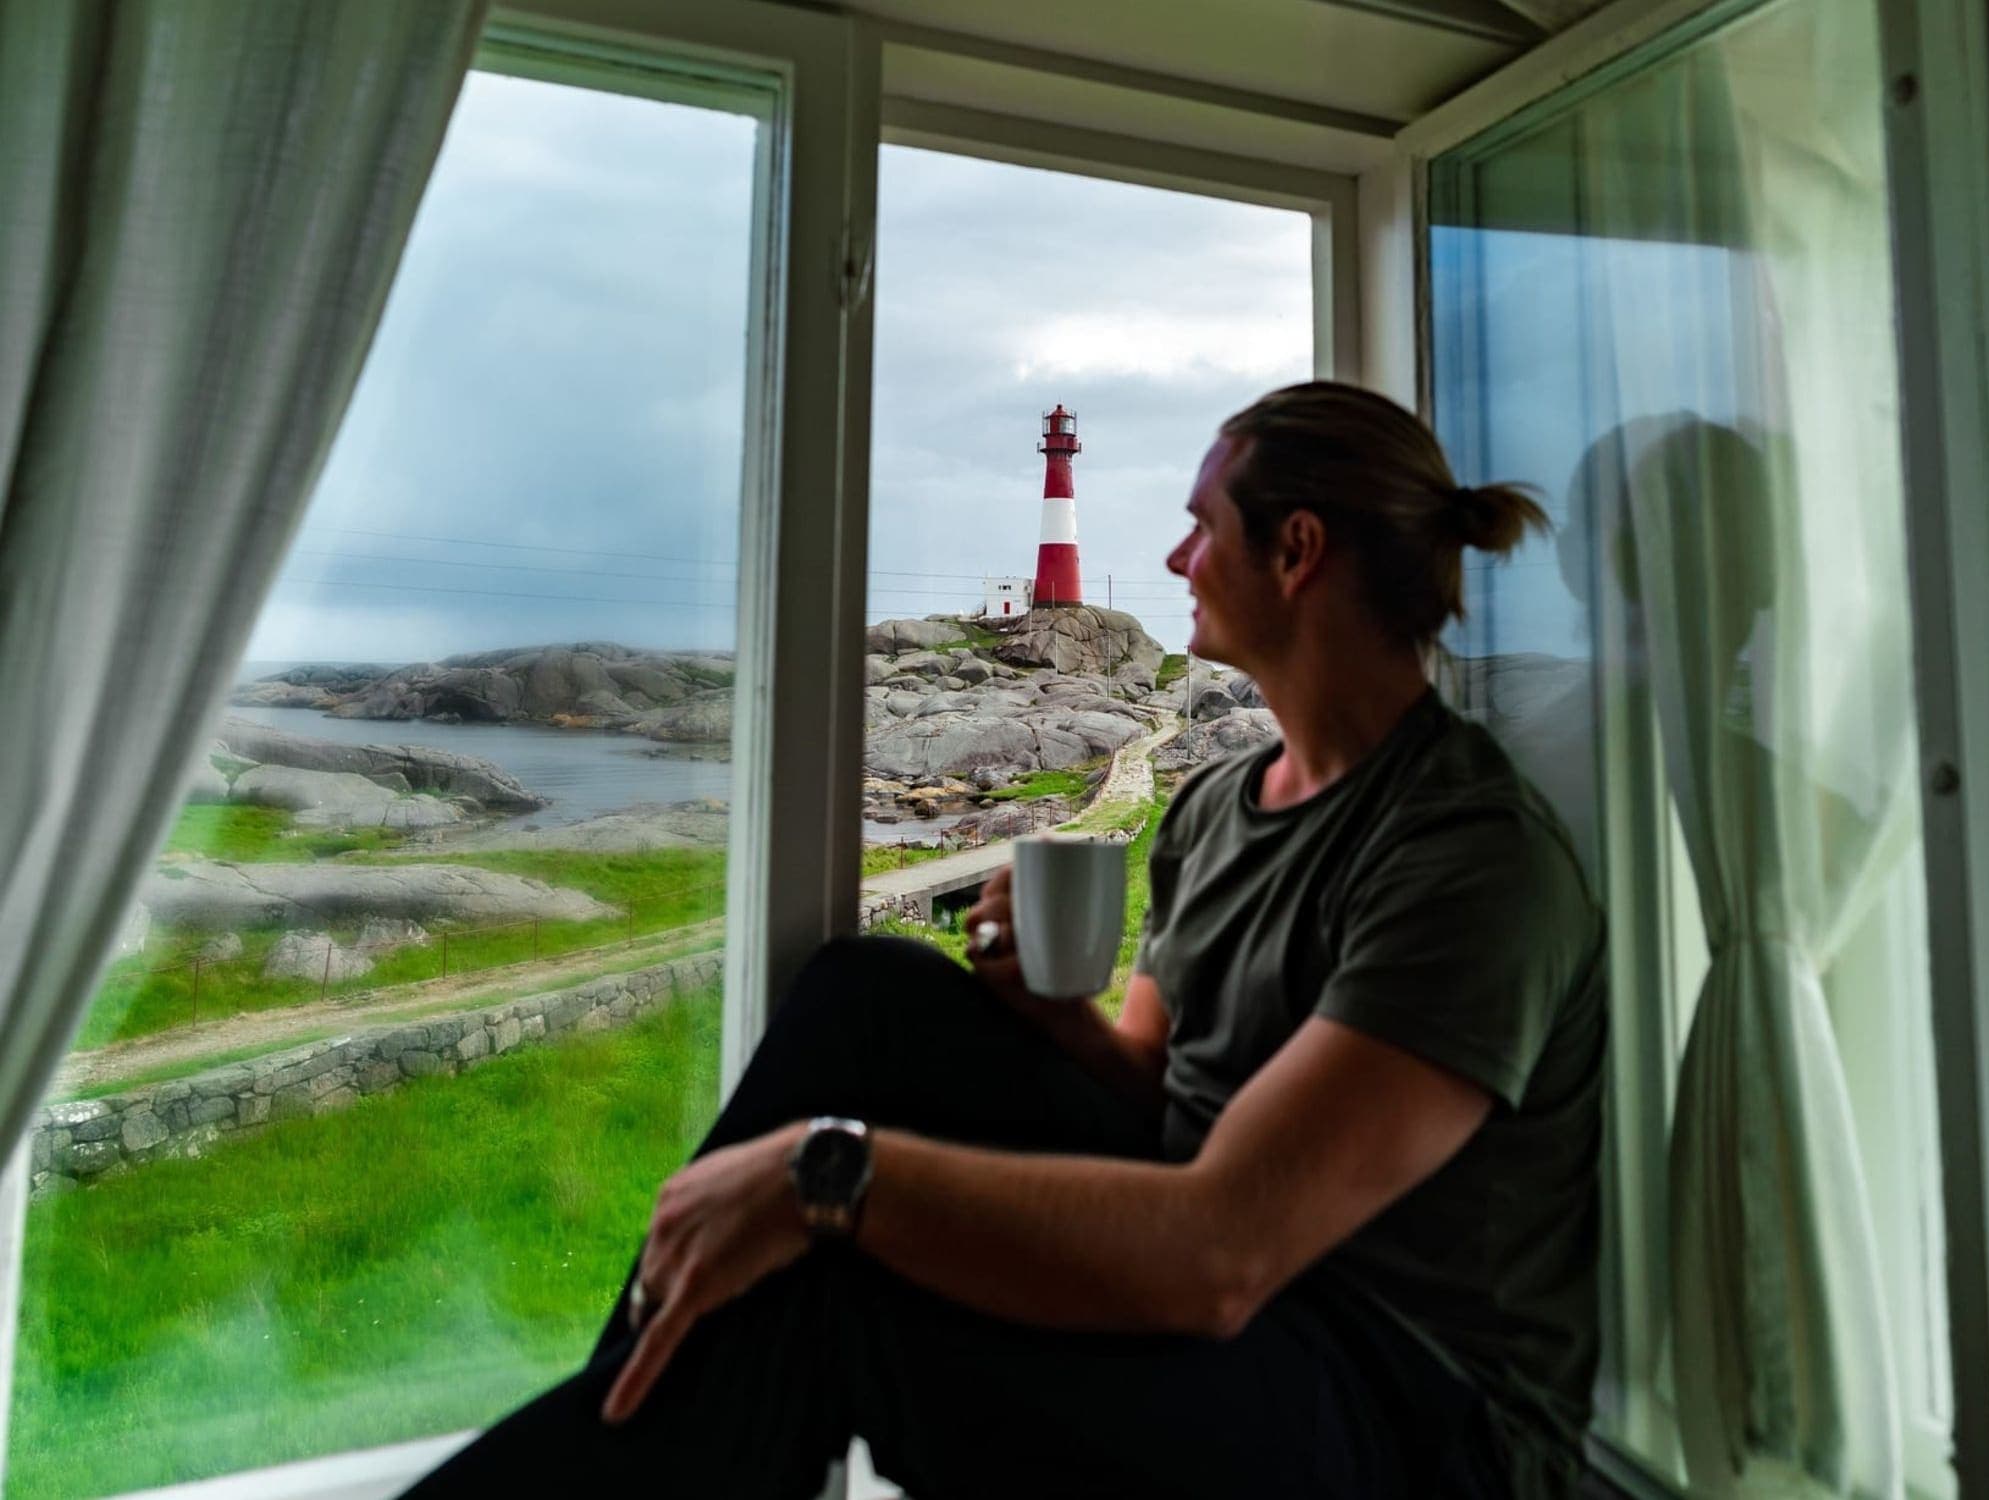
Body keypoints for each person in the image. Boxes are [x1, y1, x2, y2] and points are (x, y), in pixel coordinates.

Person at [401, 381, 1606, 1500]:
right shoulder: (1213, 809)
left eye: (1201, 527)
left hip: (1403, 1410)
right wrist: (1050, 1021)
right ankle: (627, 1389)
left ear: (1294, 552)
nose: (1178, 558)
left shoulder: (1463, 855)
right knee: (871, 988)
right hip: (1240, 1287)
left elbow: (1222, 1250)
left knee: (835, 1284)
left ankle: (606, 1429)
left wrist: (828, 1169)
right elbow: (1163, 1104)